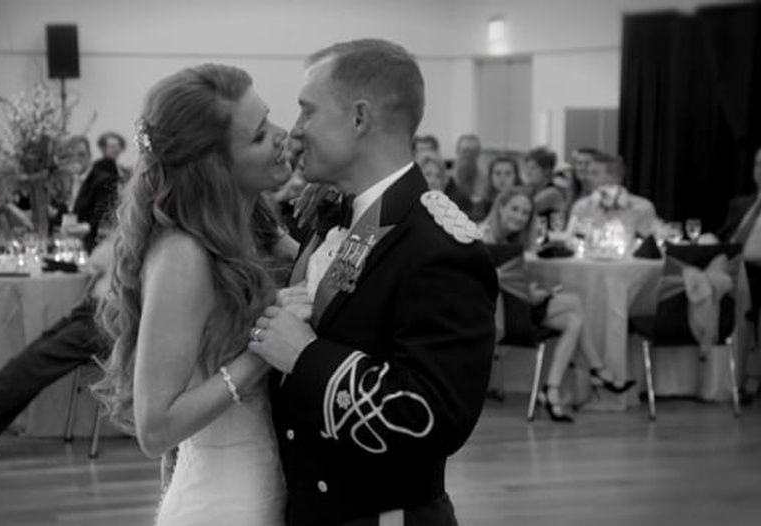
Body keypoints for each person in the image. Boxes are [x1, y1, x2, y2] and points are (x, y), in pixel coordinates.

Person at [249, 39, 498, 526]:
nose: (296, 132)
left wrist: (305, 357)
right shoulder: (334, 212)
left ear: (359, 119)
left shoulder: (438, 246)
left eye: (308, 112)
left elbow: (436, 416)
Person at [91, 64, 295, 525]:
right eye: (261, 135)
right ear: (216, 166)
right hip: (224, 503)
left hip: (269, 487)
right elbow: (155, 428)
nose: (284, 136)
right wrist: (264, 352)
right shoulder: (184, 255)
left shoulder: (251, 228)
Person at [0, 237, 115, 456]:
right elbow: (99, 259)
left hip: (112, 319)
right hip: (95, 308)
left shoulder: (157, 230)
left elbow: (103, 260)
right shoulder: (142, 224)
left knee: (32, 365)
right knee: (29, 362)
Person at [480, 187, 635, 422]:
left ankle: (553, 389)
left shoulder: (511, 240)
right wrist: (534, 294)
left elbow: (516, 288)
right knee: (574, 304)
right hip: (496, 315)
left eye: (525, 213)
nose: (519, 217)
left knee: (574, 318)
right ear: (500, 207)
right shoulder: (483, 237)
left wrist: (532, 293)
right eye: (514, 209)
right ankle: (597, 371)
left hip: (516, 308)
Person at [568, 152, 657, 239]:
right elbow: (570, 241)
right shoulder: (582, 206)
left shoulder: (642, 207)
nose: (588, 178)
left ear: (613, 177)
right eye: (588, 173)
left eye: (594, 173)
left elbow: (646, 247)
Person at [718, 146, 761, 244]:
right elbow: (722, 236)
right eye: (758, 164)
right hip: (723, 253)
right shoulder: (739, 204)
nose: (760, 170)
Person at [523, 147, 567, 225]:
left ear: (546, 170)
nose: (528, 173)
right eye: (527, 167)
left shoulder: (552, 193)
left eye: (533, 168)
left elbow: (523, 209)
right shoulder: (533, 190)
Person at [470, 155, 520, 222]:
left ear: (516, 177)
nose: (502, 178)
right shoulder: (480, 204)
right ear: (490, 177)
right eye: (497, 173)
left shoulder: (525, 202)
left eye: (508, 173)